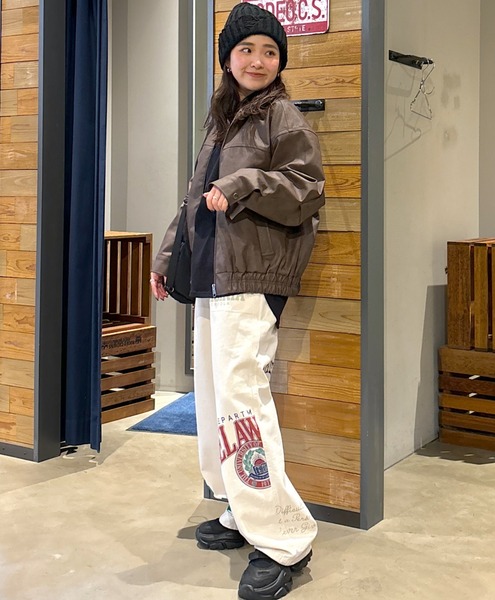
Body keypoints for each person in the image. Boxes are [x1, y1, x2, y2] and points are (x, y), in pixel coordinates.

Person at [150, 4, 325, 599]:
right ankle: (239, 509)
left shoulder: (282, 115)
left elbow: (306, 189)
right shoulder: (223, 117)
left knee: (243, 404)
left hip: (252, 279)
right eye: (247, 49)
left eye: (270, 51)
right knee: (216, 403)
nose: (258, 60)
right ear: (228, 58)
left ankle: (282, 541)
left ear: (280, 62)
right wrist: (168, 258)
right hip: (214, 276)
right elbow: (193, 198)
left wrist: (243, 182)